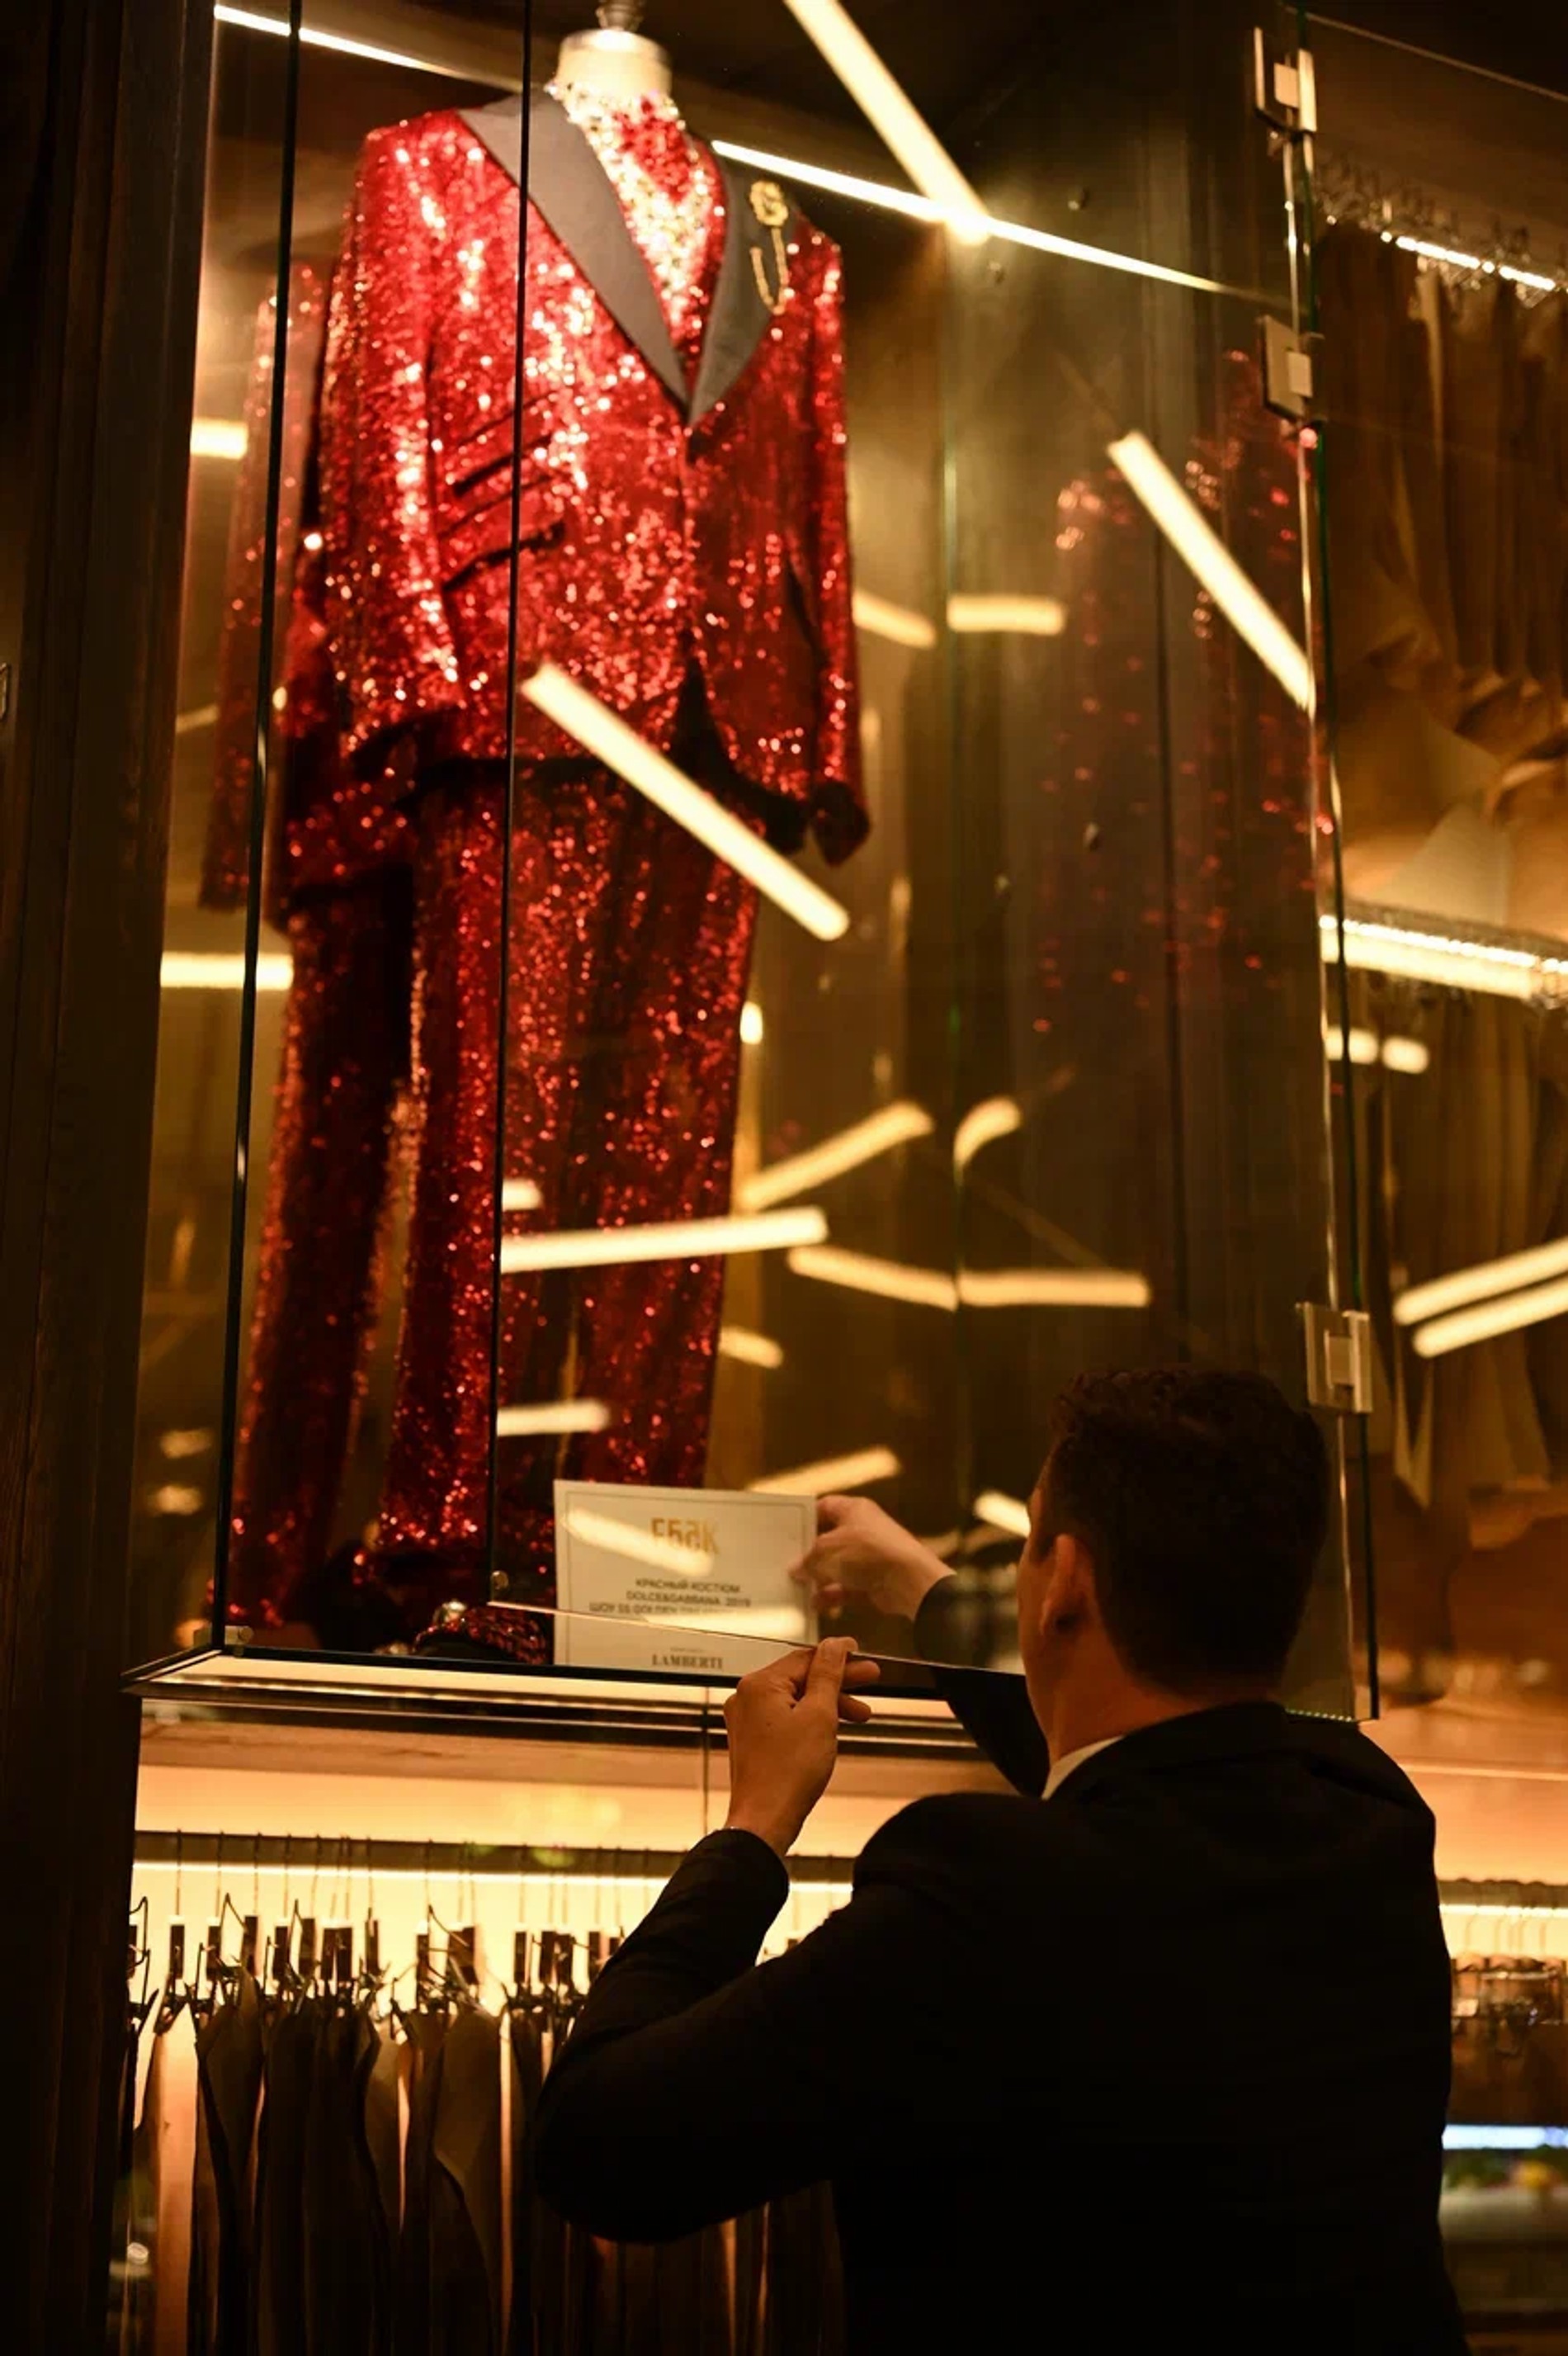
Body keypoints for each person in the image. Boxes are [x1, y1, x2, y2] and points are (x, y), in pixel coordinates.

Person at [532, 1368, 1465, 2352]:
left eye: (1026, 1547)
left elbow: (598, 2146)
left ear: (1063, 1581)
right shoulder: (1367, 1813)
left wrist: (753, 1825)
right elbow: (1146, 1780)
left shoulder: (978, 1896)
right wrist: (924, 1589)